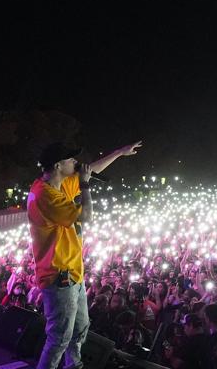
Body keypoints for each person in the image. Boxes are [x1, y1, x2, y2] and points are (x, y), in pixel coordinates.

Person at [28, 140, 142, 369]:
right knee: (59, 337)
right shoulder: (45, 195)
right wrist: (85, 186)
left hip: (72, 273)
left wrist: (118, 153)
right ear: (59, 165)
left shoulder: (59, 183)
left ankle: (74, 365)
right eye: (71, 159)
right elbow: (86, 215)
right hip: (59, 275)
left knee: (80, 328)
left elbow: (91, 168)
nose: (76, 162)